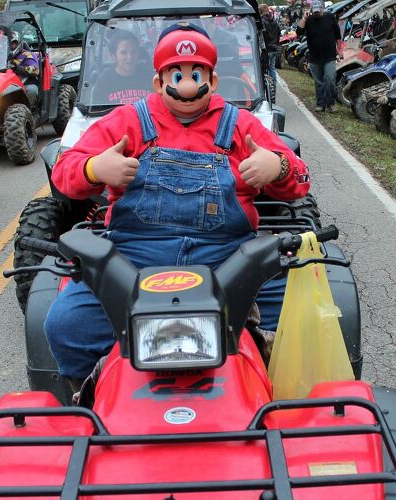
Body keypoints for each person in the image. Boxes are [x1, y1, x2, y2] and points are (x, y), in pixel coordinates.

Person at [45, 23, 310, 387]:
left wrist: (278, 166)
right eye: (177, 73)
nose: (187, 83)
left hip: (227, 257)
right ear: (158, 81)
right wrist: (94, 167)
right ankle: (90, 396)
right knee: (65, 325)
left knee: (303, 314)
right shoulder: (126, 122)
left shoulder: (240, 126)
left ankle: (276, 397)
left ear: (213, 80)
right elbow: (63, 172)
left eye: (196, 73)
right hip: (133, 257)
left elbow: (299, 181)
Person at [297, 0, 342, 112]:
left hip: (329, 55)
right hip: (314, 57)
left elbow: (338, 35)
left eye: (318, 11)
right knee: (319, 82)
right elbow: (299, 32)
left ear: (322, 8)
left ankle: (331, 103)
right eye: (314, 12)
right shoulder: (308, 20)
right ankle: (320, 104)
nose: (316, 13)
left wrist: (340, 50)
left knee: (330, 79)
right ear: (312, 10)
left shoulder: (330, 17)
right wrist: (304, 18)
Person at [92, 29, 151, 105]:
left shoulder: (150, 77)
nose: (129, 57)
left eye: (133, 52)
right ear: (114, 55)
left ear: (138, 53)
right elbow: (98, 111)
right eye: (123, 52)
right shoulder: (104, 81)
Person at [259, 3, 280, 98]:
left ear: (260, 11)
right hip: (274, 48)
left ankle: (268, 88)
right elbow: (278, 33)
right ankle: (273, 88)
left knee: (264, 69)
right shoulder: (273, 20)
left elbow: (264, 36)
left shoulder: (263, 21)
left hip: (267, 49)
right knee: (272, 69)